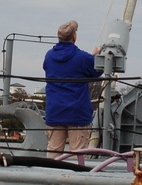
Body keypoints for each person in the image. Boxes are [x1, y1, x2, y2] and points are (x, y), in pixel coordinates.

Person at [42, 20, 103, 158]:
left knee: (53, 153)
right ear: (74, 37)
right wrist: (96, 56)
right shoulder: (81, 57)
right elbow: (97, 70)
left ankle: (51, 178)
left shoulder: (49, 56)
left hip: (55, 111)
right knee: (78, 155)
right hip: (78, 113)